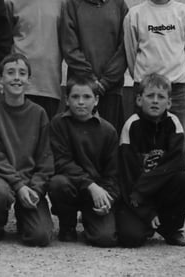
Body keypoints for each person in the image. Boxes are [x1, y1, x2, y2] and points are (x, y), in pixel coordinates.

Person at [116, 73, 185, 247]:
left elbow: (178, 163)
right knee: (130, 238)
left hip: (157, 190)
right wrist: (145, 211)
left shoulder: (173, 123)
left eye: (161, 97)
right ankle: (148, 223)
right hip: (135, 196)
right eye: (150, 96)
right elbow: (127, 176)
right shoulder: (131, 126)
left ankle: (171, 228)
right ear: (139, 100)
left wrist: (144, 187)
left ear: (168, 103)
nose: (155, 101)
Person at [0, 53, 54, 246]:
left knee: (40, 237)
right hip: (3, 179)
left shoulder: (39, 113)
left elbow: (45, 159)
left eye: (22, 73)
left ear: (28, 80)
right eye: (10, 73)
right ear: (1, 79)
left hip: (30, 181)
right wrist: (18, 186)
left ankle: (25, 216)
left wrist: (36, 189)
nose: (16, 77)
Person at [124, 0, 185, 132]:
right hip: (144, 87)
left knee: (176, 139)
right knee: (143, 139)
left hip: (176, 88)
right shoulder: (135, 14)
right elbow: (131, 53)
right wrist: (142, 81)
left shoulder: (184, 13)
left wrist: (182, 78)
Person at [48, 76, 119, 247]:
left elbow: (113, 172)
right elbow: (61, 162)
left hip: (97, 193)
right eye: (75, 97)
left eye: (87, 97)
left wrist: (108, 199)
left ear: (96, 100)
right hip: (71, 186)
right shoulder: (58, 124)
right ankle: (67, 225)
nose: (81, 102)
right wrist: (90, 185)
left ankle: (90, 218)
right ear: (67, 100)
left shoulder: (108, 131)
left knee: (105, 239)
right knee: (57, 183)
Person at [61, 0, 129, 131]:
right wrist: (90, 80)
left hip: (111, 88)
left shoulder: (119, 5)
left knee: (110, 140)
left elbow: (124, 49)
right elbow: (70, 47)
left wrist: (105, 82)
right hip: (81, 88)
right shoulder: (72, 4)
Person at [5, 0, 66, 121]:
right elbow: (5, 42)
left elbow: (64, 40)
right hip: (21, 81)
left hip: (50, 81)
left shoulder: (59, 2)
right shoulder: (12, 2)